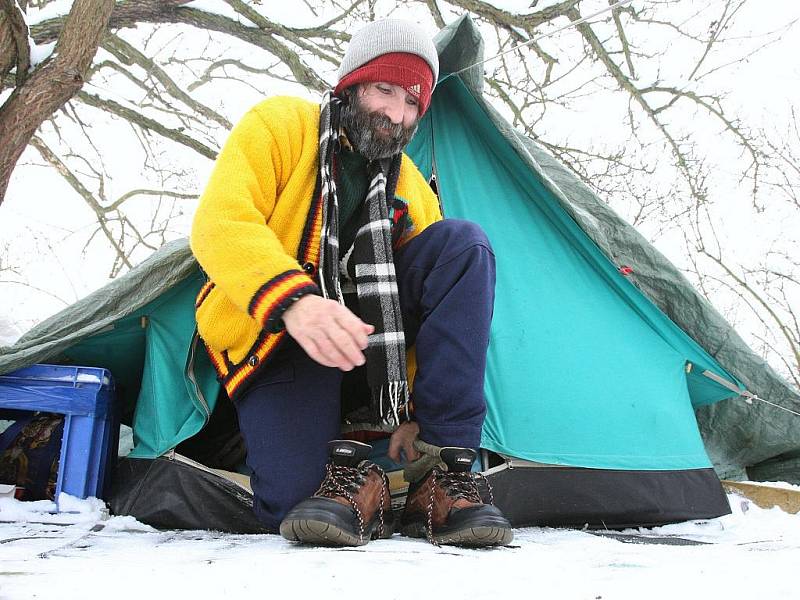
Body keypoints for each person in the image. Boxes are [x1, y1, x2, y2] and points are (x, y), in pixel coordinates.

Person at [190, 18, 512, 547]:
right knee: (296, 507)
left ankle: (446, 470)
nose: (396, 113)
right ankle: (366, 485)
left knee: (463, 245)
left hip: (369, 346)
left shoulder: (410, 184)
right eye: (384, 90)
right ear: (351, 84)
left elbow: (435, 309)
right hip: (283, 338)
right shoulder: (280, 124)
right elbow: (220, 223)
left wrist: (411, 414)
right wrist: (295, 301)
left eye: (412, 102)